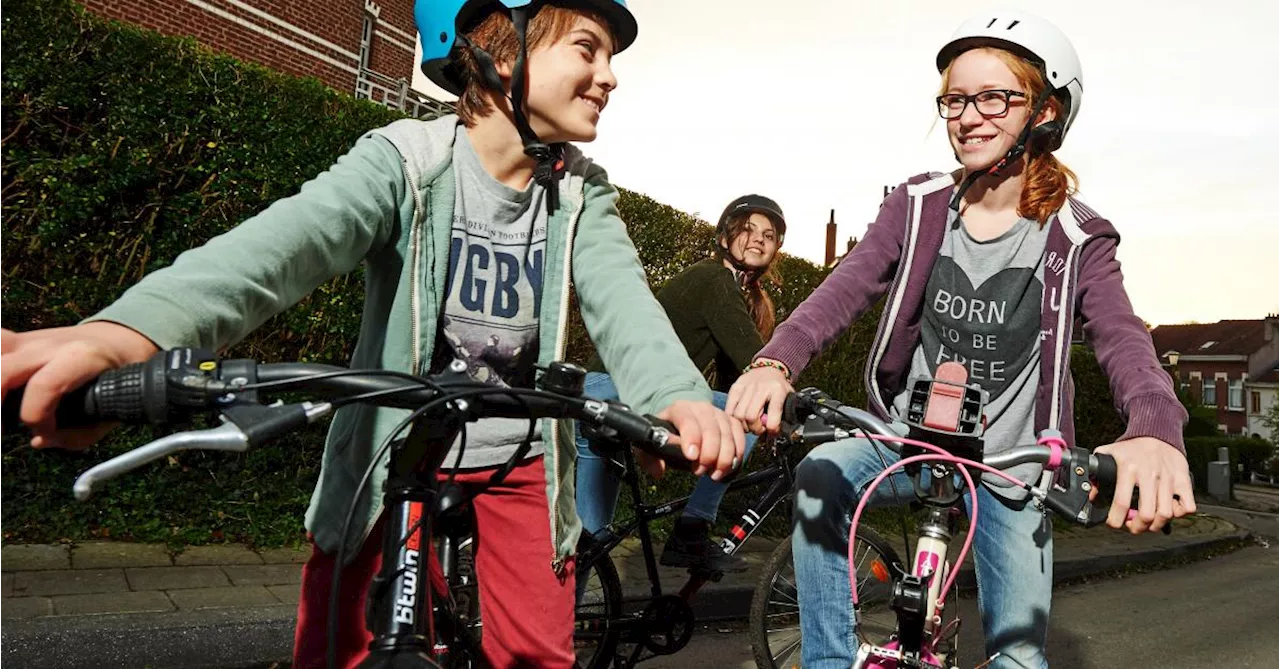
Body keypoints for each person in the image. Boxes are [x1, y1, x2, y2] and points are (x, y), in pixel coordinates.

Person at [0, 1, 744, 667]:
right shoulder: (405, 161)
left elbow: (625, 302)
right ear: (504, 49)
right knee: (340, 641)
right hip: (395, 447)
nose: (609, 75)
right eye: (588, 48)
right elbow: (282, 247)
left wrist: (677, 396)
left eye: (611, 57)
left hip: (518, 461)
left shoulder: (583, 192)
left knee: (535, 653)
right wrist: (131, 332)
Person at [725, 11, 1196, 668]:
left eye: (994, 97)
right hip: (910, 438)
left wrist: (1154, 427)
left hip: (1012, 467)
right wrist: (776, 360)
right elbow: (843, 288)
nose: (967, 116)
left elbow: (1124, 342)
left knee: (1019, 657)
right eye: (954, 98)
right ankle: (828, 660)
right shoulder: (916, 207)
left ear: (1046, 112)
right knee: (819, 472)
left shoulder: (1079, 237)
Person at [576, 194, 785, 573]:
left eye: (768, 235)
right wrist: (791, 408)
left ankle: (579, 625)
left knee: (590, 544)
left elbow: (733, 376)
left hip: (598, 391)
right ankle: (692, 528)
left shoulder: (725, 286)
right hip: (616, 390)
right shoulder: (714, 278)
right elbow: (758, 369)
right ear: (724, 238)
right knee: (747, 410)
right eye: (747, 229)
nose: (758, 239)